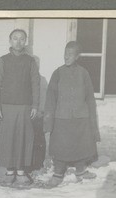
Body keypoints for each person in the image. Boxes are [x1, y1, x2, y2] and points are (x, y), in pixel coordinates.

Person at [44, 41, 100, 187]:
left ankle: (80, 171)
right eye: (65, 53)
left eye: (70, 54)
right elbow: (50, 98)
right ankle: (57, 174)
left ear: (77, 56)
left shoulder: (83, 73)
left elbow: (90, 98)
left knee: (81, 145)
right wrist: (48, 122)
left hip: (81, 116)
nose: (66, 57)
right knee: (60, 146)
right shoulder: (58, 73)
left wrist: (91, 120)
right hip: (61, 117)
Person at [0, 29, 40, 185]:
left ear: (25, 41)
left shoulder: (30, 61)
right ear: (10, 41)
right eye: (15, 38)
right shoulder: (3, 61)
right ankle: (9, 171)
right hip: (7, 107)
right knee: (8, 139)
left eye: (22, 39)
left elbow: (35, 84)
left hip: (25, 107)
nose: (18, 42)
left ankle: (20, 171)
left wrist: (35, 105)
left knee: (23, 138)